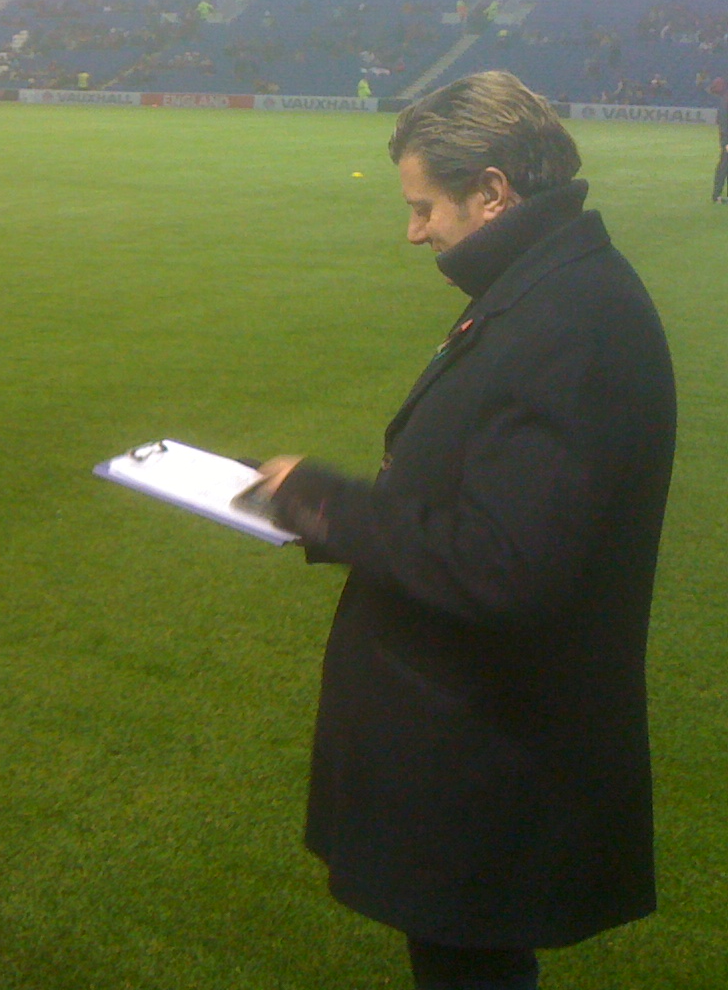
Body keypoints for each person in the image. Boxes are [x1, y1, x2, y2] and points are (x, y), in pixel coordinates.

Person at [251, 71, 675, 990]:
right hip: (477, 751)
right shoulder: (547, 283)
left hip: (493, 760)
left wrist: (323, 501)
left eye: (425, 206)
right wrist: (329, 520)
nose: (414, 232)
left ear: (492, 191)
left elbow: (506, 565)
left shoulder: (573, 319)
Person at [713, 84, 728, 204]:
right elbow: (723, 123)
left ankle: (717, 195)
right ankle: (716, 195)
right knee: (724, 167)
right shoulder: (725, 103)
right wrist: (726, 142)